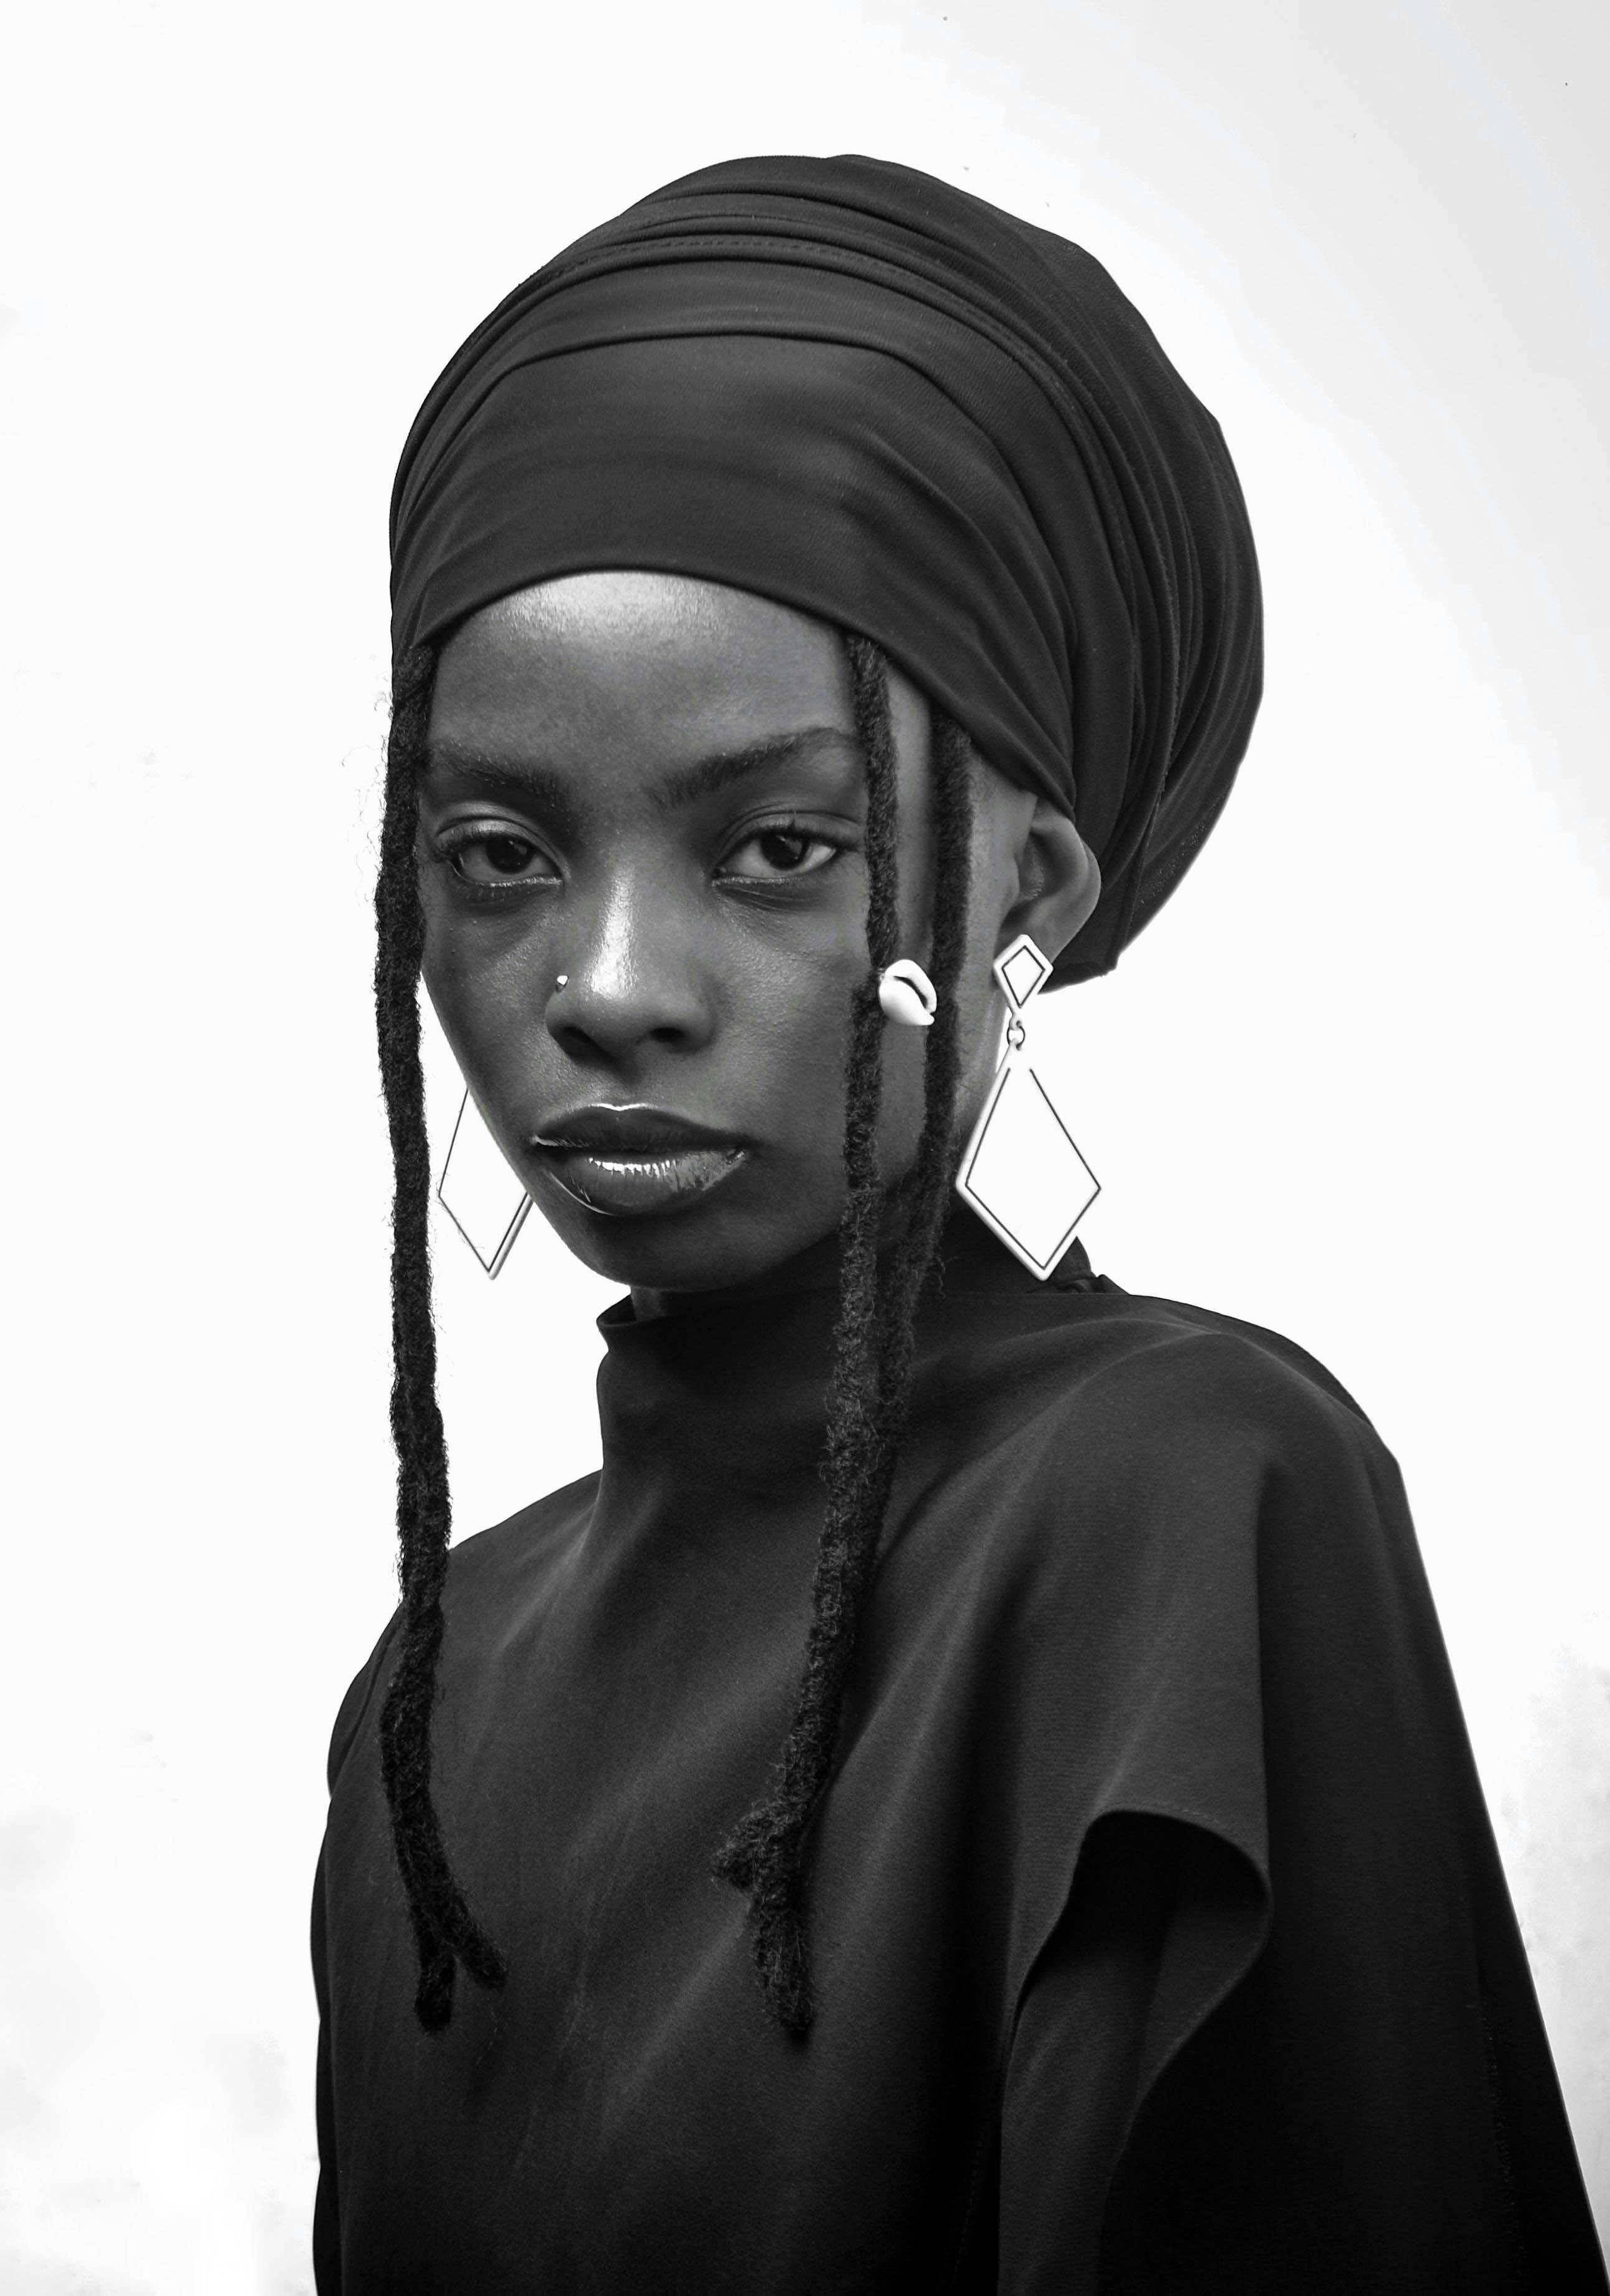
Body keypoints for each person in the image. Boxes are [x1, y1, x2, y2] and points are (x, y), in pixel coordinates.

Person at [310, 155, 1606, 2292]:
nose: (607, 985)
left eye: (780, 847)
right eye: (501, 853)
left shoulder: (1185, 1499)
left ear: (1036, 896)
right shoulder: (425, 1709)